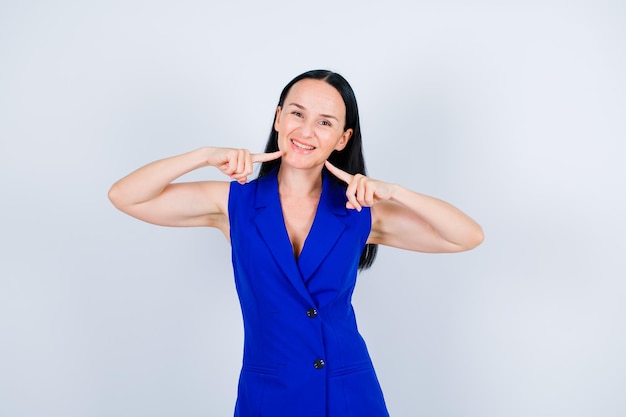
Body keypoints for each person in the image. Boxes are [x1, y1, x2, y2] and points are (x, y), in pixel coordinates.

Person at [108, 69, 484, 416]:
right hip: (269, 393)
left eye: (325, 122)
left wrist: (395, 192)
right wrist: (205, 156)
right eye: (297, 114)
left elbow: (467, 236)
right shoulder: (234, 203)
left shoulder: (359, 210)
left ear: (342, 138)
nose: (306, 131)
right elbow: (125, 196)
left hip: (349, 394)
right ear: (278, 118)